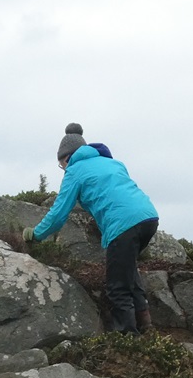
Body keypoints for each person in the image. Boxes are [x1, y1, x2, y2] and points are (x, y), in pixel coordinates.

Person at [24, 125, 158, 334]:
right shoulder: (112, 163)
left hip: (122, 225)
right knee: (128, 270)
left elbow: (59, 213)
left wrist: (36, 234)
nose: (63, 169)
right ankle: (146, 324)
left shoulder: (75, 171)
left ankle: (127, 339)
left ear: (67, 158)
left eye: (61, 165)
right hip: (148, 217)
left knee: (117, 286)